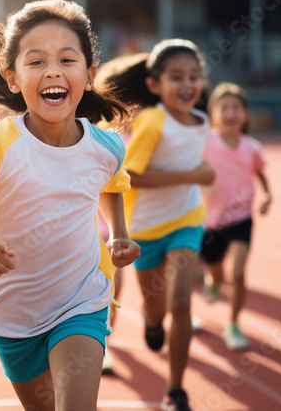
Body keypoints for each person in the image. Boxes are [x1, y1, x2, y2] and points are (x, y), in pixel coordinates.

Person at [0, 0, 140, 411]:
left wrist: (119, 234)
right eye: (36, 61)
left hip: (82, 302)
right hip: (12, 315)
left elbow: (113, 183)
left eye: (67, 59)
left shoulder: (107, 146)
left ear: (89, 75)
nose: (53, 71)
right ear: (12, 78)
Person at [103, 40, 215, 411]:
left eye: (193, 76)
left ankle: (176, 390)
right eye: (176, 76)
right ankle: (153, 323)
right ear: (154, 85)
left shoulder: (201, 120)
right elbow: (130, 175)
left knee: (182, 301)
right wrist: (192, 174)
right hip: (145, 229)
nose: (187, 84)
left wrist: (196, 178)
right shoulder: (152, 121)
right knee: (157, 310)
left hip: (187, 222)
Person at [200, 82, 271, 350]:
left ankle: (233, 324)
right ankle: (213, 281)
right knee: (216, 271)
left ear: (245, 114)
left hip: (242, 218)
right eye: (224, 107)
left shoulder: (251, 146)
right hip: (211, 221)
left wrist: (266, 195)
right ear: (214, 113)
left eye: (235, 108)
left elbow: (261, 172)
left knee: (239, 272)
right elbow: (192, 169)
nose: (230, 113)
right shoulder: (206, 142)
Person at [94, 52, 148, 374]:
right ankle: (96, 347)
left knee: (115, 289)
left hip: (123, 225)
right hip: (92, 224)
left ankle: (101, 346)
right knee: (103, 289)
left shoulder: (148, 127)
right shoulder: (103, 129)